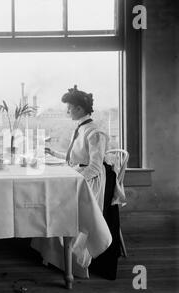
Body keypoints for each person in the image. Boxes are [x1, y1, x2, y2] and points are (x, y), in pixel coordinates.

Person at [31, 85, 121, 280]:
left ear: (79, 109)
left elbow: (95, 167)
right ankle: (57, 255)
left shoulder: (95, 133)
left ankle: (74, 261)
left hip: (92, 182)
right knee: (52, 202)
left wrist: (75, 181)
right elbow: (77, 159)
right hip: (80, 175)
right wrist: (53, 152)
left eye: (69, 107)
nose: (67, 111)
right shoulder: (82, 128)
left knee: (56, 205)